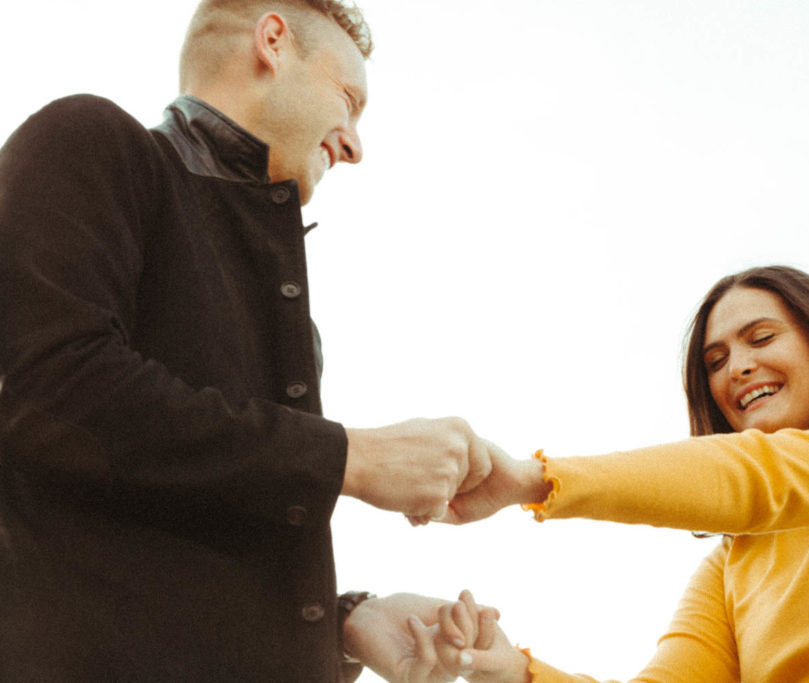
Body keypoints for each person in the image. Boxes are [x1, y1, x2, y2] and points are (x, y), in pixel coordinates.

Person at [0, 1, 504, 681]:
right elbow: (52, 394)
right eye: (349, 100)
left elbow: (187, 526)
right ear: (272, 41)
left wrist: (347, 621)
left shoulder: (299, 328)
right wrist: (349, 458)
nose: (355, 143)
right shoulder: (91, 139)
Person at [422, 265, 809, 681]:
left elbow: (764, 477)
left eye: (761, 337)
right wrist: (513, 672)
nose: (738, 367)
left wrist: (535, 479)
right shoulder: (734, 566)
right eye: (716, 361)